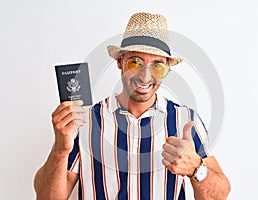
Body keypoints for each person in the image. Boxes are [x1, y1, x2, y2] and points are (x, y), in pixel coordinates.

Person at [34, 12, 231, 200]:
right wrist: (60, 149)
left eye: (157, 65)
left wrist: (196, 168)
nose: (145, 76)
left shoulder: (185, 120)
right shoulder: (84, 121)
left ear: (167, 70)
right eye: (135, 62)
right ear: (120, 62)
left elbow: (219, 194)